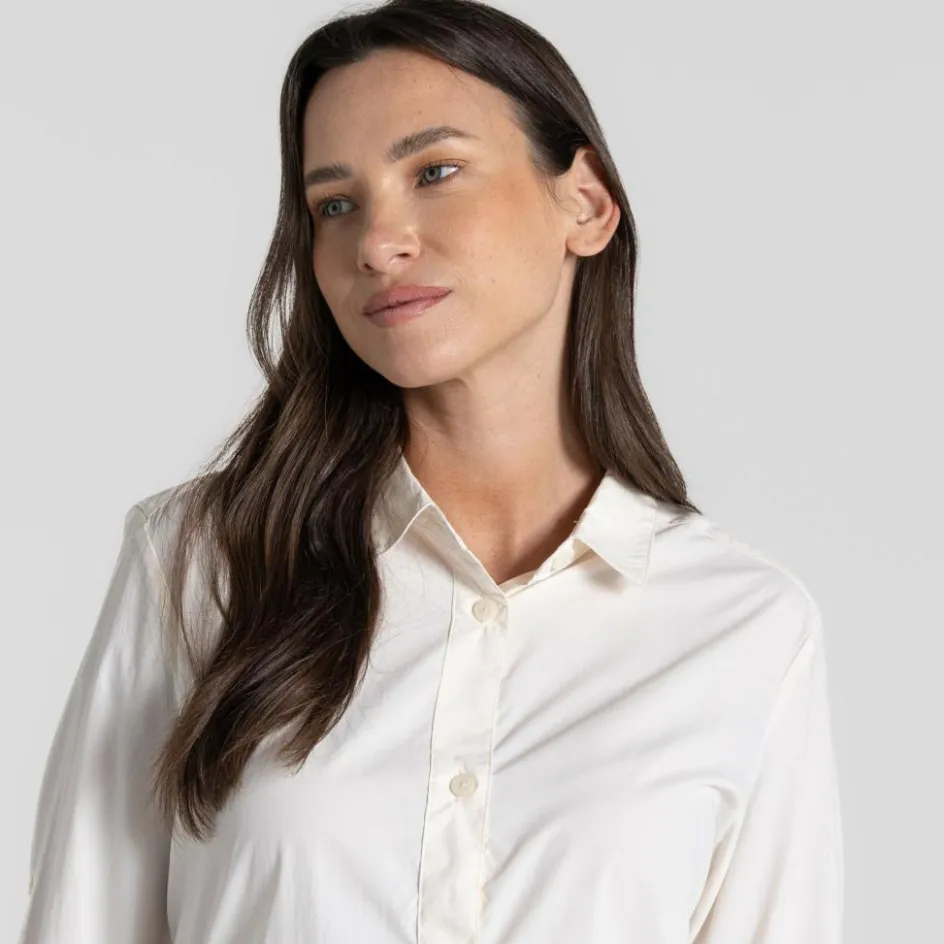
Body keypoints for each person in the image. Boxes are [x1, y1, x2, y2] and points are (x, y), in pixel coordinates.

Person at [17, 0, 844, 941]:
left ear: (584, 204)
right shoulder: (201, 562)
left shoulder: (742, 627)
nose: (377, 242)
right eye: (335, 205)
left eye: (434, 172)